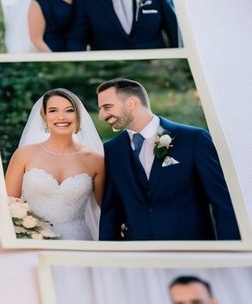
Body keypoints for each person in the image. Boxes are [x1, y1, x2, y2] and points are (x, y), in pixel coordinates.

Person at [96, 78, 240, 241]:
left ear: (131, 103)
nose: (102, 116)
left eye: (107, 107)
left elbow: (223, 203)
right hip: (138, 253)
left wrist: (230, 251)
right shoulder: (111, 150)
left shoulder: (193, 139)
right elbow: (111, 212)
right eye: (100, 109)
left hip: (191, 249)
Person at [5, 88, 105, 240]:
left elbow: (107, 209)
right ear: (44, 116)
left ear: (78, 115)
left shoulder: (95, 159)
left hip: (79, 242)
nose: (62, 117)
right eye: (53, 110)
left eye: (69, 110)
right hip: (34, 243)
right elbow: (8, 206)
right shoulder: (23, 155)